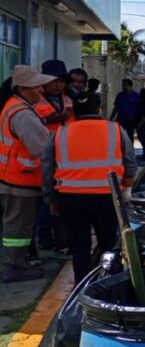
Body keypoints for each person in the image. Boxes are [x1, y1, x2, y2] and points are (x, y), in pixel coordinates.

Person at [42, 91, 136, 283]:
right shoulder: (116, 130)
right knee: (109, 245)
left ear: (73, 111)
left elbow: (47, 169)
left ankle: (82, 287)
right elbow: (130, 163)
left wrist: (51, 199)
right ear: (99, 109)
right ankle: (111, 284)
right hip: (107, 198)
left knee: (79, 247)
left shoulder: (59, 134)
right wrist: (126, 190)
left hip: (70, 199)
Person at [0, 66, 55, 282]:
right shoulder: (23, 114)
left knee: (18, 225)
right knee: (18, 227)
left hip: (14, 178)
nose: (41, 90)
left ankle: (18, 262)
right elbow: (41, 150)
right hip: (20, 181)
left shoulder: (14, 107)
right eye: (36, 86)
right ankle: (14, 266)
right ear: (23, 89)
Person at [33, 60, 74, 255]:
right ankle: (44, 240)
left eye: (61, 81)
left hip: (64, 157)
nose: (58, 85)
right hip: (43, 157)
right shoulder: (36, 100)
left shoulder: (69, 99)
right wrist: (50, 119)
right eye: (54, 81)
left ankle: (61, 241)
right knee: (44, 202)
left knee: (60, 202)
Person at [109, 79, 140, 145]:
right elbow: (116, 107)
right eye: (123, 85)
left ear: (130, 86)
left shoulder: (136, 96)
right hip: (121, 120)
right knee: (120, 136)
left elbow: (139, 109)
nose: (123, 87)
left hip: (131, 121)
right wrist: (111, 117)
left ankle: (130, 149)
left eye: (125, 85)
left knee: (130, 137)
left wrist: (138, 120)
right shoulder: (120, 95)